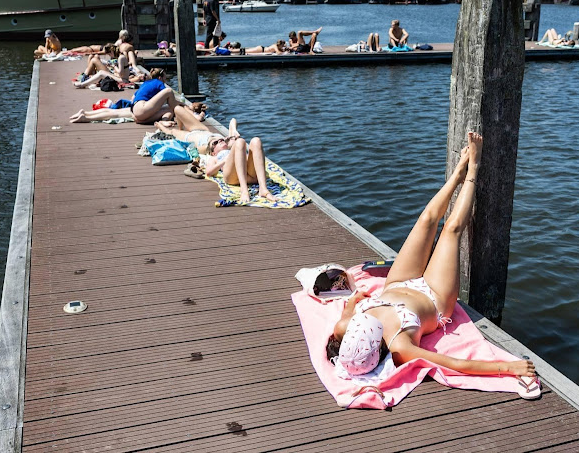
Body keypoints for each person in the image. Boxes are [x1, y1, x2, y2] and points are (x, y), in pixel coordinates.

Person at [326, 133, 536, 381]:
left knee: (426, 220)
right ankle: (473, 170)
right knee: (452, 229)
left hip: (397, 283)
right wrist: (508, 368)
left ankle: (457, 174)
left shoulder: (343, 329)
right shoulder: (400, 347)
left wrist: (355, 299)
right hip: (434, 299)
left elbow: (349, 310)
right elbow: (455, 363)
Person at [204, 124, 279, 204]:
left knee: (256, 140)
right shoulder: (214, 158)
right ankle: (244, 190)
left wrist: (234, 133)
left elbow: (233, 121)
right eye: (215, 143)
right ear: (213, 152)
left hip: (251, 176)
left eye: (221, 140)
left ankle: (263, 189)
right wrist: (224, 161)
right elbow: (208, 172)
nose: (220, 141)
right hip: (232, 177)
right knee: (240, 141)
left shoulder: (234, 149)